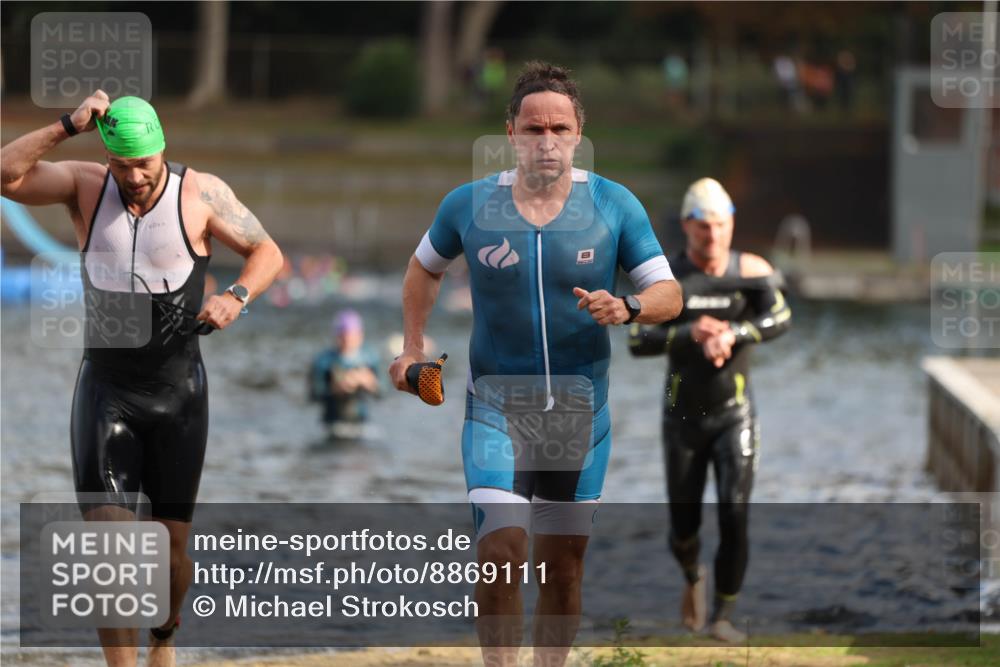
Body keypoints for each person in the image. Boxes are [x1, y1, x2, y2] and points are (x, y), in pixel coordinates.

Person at [389, 62, 682, 667]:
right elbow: (424, 268)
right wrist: (413, 345)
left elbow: (669, 296)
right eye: (533, 128)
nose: (546, 141)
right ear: (511, 133)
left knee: (564, 569)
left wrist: (627, 306)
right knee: (500, 551)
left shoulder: (613, 206)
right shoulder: (469, 205)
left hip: (581, 417)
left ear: (578, 133)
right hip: (495, 408)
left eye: (559, 128)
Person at [0, 92, 283, 667]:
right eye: (121, 164)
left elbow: (266, 251)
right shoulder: (84, 184)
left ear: (162, 150)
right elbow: (6, 176)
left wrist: (236, 295)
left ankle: (165, 636)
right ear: (106, 157)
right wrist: (66, 125)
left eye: (143, 164)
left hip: (179, 395)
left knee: (172, 549)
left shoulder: (199, 194)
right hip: (106, 391)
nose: (133, 177)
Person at [628, 178, 791, 643]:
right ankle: (692, 576)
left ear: (731, 224)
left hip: (734, 414)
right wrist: (689, 331)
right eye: (702, 228)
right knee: (684, 527)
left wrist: (733, 334)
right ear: (687, 227)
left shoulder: (751, 270)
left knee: (734, 512)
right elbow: (638, 339)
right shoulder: (667, 279)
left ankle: (722, 617)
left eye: (720, 226)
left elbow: (781, 317)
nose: (712, 236)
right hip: (681, 419)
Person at [309, 309, 381, 438]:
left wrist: (371, 384)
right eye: (344, 336)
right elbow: (314, 395)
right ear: (337, 336)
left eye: (352, 336)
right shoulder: (323, 361)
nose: (348, 341)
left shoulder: (370, 359)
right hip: (332, 425)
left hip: (361, 424)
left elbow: (384, 392)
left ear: (360, 336)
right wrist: (336, 388)